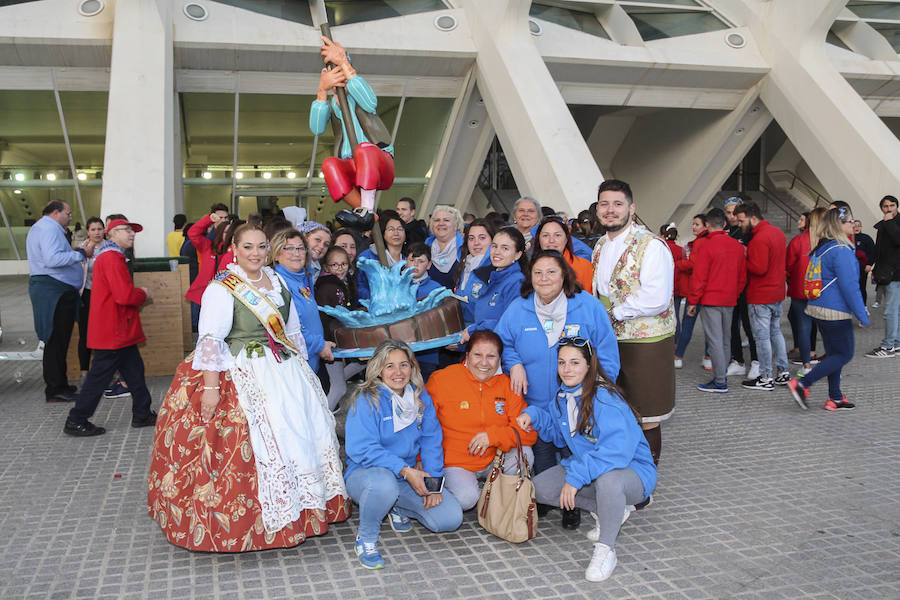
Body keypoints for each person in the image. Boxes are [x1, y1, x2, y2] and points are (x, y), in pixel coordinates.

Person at [148, 223, 350, 552]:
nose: (255, 254)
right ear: (235, 250)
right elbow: (211, 340)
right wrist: (211, 389)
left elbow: (292, 331)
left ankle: (306, 509)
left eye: (260, 247)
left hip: (284, 370)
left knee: (299, 435)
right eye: (248, 247)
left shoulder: (279, 280)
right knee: (261, 440)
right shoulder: (222, 288)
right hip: (242, 370)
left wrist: (303, 375)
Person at [497, 250, 619, 529]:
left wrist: (599, 391)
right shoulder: (519, 307)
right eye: (538, 272)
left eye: (552, 271)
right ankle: (547, 496)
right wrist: (513, 363)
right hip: (536, 402)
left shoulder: (587, 306)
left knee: (576, 453)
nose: (544, 278)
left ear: (564, 274)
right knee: (543, 454)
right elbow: (502, 343)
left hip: (578, 402)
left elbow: (607, 352)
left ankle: (573, 503)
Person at [517, 337, 656, 582]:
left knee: (609, 481)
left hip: (632, 471)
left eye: (574, 362)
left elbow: (615, 452)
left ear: (589, 365)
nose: (566, 369)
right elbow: (557, 435)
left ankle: (607, 549)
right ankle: (610, 510)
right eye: (561, 363)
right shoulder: (564, 396)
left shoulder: (605, 398)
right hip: (592, 467)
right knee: (540, 488)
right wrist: (534, 415)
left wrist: (575, 478)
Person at [343, 340, 463, 569]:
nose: (398, 372)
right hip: (368, 476)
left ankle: (395, 506)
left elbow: (431, 440)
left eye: (404, 365)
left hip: (406, 477)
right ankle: (366, 539)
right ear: (378, 369)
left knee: (449, 518)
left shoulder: (420, 397)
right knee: (383, 485)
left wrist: (433, 483)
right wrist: (406, 470)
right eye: (389, 366)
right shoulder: (367, 399)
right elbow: (362, 448)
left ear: (412, 367)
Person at [592, 179, 674, 470]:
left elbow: (658, 298)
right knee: (617, 410)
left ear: (632, 208)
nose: (610, 210)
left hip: (645, 343)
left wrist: (614, 313)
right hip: (610, 341)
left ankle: (645, 482)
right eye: (604, 204)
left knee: (647, 414)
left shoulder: (651, 246)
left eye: (617, 204)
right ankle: (622, 471)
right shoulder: (601, 245)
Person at [63, 219, 156, 436]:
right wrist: (143, 293)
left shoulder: (111, 256)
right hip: (114, 330)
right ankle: (76, 419)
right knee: (99, 378)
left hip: (117, 330)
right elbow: (124, 296)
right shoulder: (113, 258)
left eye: (133, 230)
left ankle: (142, 413)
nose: (132, 234)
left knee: (134, 371)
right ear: (112, 234)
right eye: (127, 230)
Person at [426, 330, 536, 510]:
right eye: (477, 355)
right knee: (466, 499)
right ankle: (475, 492)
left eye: (491, 356)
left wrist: (493, 436)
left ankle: (500, 495)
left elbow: (528, 433)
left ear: (500, 359)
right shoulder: (441, 380)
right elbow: (424, 427)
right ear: (467, 355)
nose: (484, 363)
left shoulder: (508, 384)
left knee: (524, 454)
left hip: (495, 459)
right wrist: (425, 468)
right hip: (456, 462)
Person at [788, 208, 869, 411]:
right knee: (844, 354)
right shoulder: (841, 250)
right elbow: (850, 287)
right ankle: (802, 383)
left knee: (834, 353)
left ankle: (835, 397)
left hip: (818, 307)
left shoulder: (822, 248)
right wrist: (862, 313)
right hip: (835, 311)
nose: (853, 224)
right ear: (838, 225)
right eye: (850, 221)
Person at [311, 37, 394, 212]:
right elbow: (316, 128)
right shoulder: (333, 104)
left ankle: (367, 209)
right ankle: (365, 213)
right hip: (351, 164)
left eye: (340, 71)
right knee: (330, 164)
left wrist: (343, 63)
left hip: (378, 162)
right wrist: (322, 91)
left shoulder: (357, 88)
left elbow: (370, 102)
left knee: (365, 149)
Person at [27, 200, 95, 403]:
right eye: (68, 213)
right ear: (56, 212)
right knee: (56, 340)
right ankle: (55, 389)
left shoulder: (44, 227)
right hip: (54, 292)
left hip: (53, 290)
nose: (70, 217)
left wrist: (72, 252)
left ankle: (60, 384)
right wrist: (80, 254)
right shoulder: (49, 229)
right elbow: (52, 259)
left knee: (58, 340)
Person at [686, 208, 746, 393]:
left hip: (711, 299)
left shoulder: (706, 246)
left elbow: (699, 277)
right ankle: (722, 376)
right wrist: (734, 293)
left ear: (708, 224)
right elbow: (742, 277)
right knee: (725, 339)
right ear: (725, 224)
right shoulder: (736, 246)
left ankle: (720, 381)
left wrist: (693, 301)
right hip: (729, 299)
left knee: (715, 340)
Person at [735, 202, 790, 390]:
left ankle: (765, 377)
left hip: (760, 295)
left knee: (762, 337)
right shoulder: (777, 233)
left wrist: (744, 255)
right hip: (776, 292)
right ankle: (783, 372)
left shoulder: (758, 239)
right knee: (775, 332)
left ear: (753, 217)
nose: (740, 225)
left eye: (742, 221)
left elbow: (758, 268)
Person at [270, 228, 334, 374]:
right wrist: (319, 345)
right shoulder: (277, 284)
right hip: (292, 366)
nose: (296, 253)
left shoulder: (301, 279)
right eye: (289, 248)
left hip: (309, 362)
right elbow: (285, 329)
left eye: (300, 248)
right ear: (277, 254)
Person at [316, 245, 365, 411]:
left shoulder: (341, 283)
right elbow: (341, 315)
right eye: (334, 265)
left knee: (361, 363)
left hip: (332, 340)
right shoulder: (331, 287)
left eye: (343, 264)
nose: (340, 268)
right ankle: (322, 421)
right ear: (326, 267)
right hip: (330, 341)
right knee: (339, 387)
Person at [459, 227, 527, 344]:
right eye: (494, 246)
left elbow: (510, 323)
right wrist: (463, 343)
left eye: (505, 248)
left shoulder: (516, 282)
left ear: (517, 255)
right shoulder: (495, 277)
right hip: (484, 346)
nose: (497, 252)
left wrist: (473, 331)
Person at [786, 208, 826, 377]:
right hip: (822, 291)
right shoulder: (828, 242)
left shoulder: (798, 241)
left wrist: (790, 279)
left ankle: (806, 365)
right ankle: (831, 364)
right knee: (825, 328)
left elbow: (787, 266)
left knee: (803, 327)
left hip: (800, 290)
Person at [724, 196, 759, 378]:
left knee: (749, 325)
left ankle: (756, 360)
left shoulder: (748, 233)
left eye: (735, 213)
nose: (732, 217)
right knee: (731, 325)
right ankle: (737, 360)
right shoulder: (725, 231)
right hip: (730, 285)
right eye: (728, 213)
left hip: (746, 286)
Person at [865, 195, 900, 358]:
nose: (889, 209)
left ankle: (888, 346)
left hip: (895, 275)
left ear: (897, 207)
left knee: (891, 311)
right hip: (887, 274)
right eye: (886, 206)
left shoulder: (892, 224)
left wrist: (888, 222)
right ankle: (897, 344)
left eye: (892, 205)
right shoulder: (884, 225)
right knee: (895, 311)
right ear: (881, 208)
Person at [672, 214, 709, 370]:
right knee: (710, 327)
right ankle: (708, 357)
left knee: (688, 323)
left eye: (697, 224)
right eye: (693, 224)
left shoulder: (700, 242)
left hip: (696, 288)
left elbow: (693, 264)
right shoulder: (710, 241)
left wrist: (679, 264)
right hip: (711, 290)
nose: (694, 227)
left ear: (706, 225)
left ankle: (678, 355)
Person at [185, 204, 234, 307]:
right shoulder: (208, 244)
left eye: (226, 217)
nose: (223, 220)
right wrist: (208, 219)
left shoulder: (235, 248)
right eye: (220, 217)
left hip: (225, 293)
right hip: (204, 292)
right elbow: (193, 233)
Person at [76, 217, 106, 377]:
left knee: (104, 334)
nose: (97, 232)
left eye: (100, 229)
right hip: (86, 295)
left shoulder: (110, 247)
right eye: (93, 229)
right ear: (87, 231)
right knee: (85, 334)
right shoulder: (81, 249)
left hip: (105, 297)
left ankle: (104, 372)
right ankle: (84, 372)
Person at [534, 216, 594, 292]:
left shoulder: (584, 266)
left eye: (557, 235)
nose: (551, 240)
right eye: (545, 235)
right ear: (538, 239)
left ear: (566, 239)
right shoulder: (532, 268)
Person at [357, 209, 407, 301]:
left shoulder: (407, 261)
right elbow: (359, 285)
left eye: (400, 229)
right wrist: (377, 299)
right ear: (383, 234)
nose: (396, 233)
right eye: (391, 229)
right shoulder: (367, 257)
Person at [454, 218, 496, 324]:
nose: (476, 243)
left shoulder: (495, 269)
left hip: (482, 331)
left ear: (493, 240)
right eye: (471, 238)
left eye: (482, 238)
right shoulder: (463, 265)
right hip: (460, 328)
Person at [426, 205, 464, 288]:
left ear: (456, 225)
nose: (441, 223)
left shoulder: (465, 249)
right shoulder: (425, 246)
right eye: (437, 220)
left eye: (446, 220)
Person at [661, 224, 687, 342]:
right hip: (677, 288)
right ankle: (677, 341)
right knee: (675, 315)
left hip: (663, 288)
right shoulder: (681, 250)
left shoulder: (661, 248)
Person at [853, 219, 875, 305]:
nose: (856, 227)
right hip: (850, 268)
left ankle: (863, 306)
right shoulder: (847, 237)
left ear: (861, 227)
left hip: (862, 268)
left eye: (858, 225)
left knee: (861, 287)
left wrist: (869, 264)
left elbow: (872, 252)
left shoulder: (866, 238)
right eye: (854, 226)